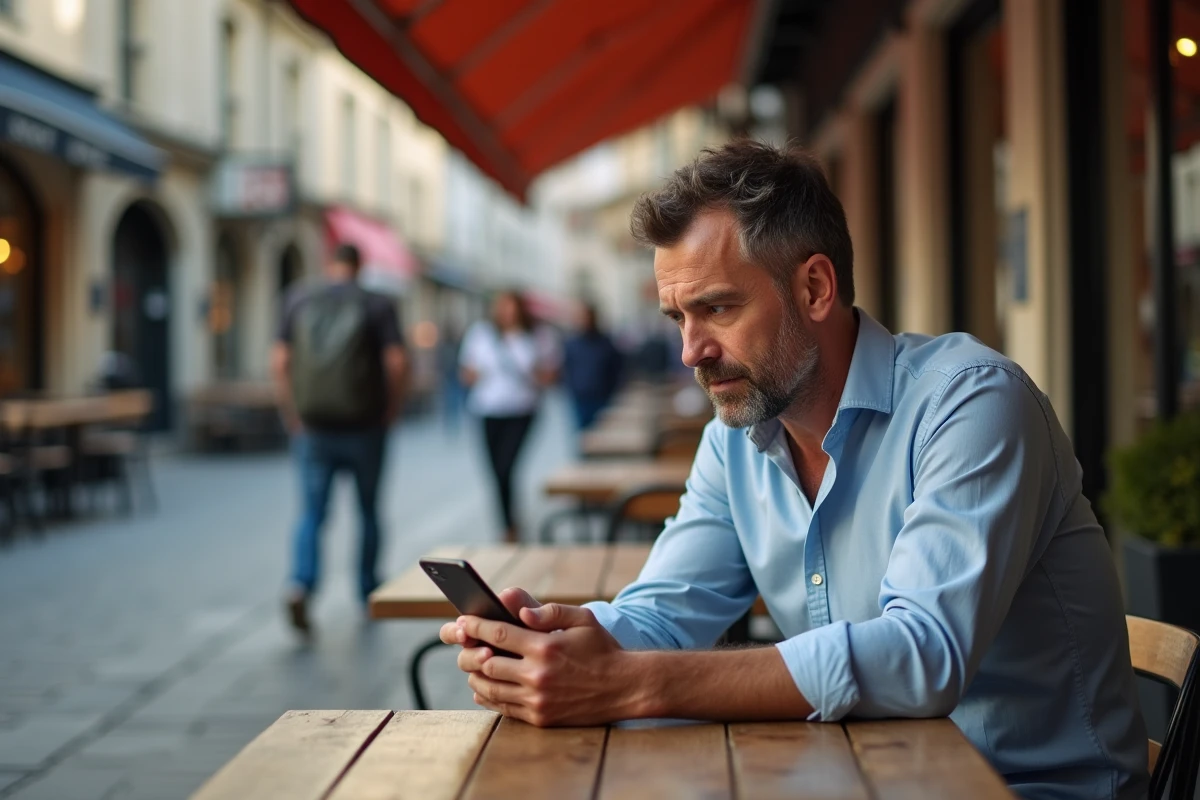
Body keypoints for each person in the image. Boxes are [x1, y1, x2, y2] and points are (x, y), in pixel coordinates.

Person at [438, 141, 1148, 799]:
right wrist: (556, 643)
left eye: (716, 308)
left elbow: (923, 655)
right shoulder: (738, 433)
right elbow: (666, 611)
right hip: (858, 775)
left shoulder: (972, 404)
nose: (691, 352)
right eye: (676, 318)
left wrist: (631, 685)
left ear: (814, 289)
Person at [272, 243, 407, 634]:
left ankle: (301, 583)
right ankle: (367, 592)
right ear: (359, 266)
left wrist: (291, 412)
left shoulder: (297, 298)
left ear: (329, 263)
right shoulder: (378, 304)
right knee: (368, 511)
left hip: (313, 427)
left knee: (312, 513)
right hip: (366, 426)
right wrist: (391, 409)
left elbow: (280, 361)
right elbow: (396, 362)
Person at [459, 290, 560, 543]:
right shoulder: (481, 334)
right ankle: (508, 525)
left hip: (522, 410)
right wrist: (477, 374)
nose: (507, 312)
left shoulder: (538, 336)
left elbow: (551, 376)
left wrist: (534, 374)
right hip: (488, 409)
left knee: (507, 467)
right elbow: (466, 373)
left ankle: (510, 527)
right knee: (496, 472)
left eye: (512, 306)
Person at [561, 303, 623, 429]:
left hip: (602, 397)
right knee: (582, 435)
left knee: (603, 432)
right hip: (580, 399)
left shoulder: (605, 343)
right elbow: (567, 369)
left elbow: (616, 369)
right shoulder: (571, 344)